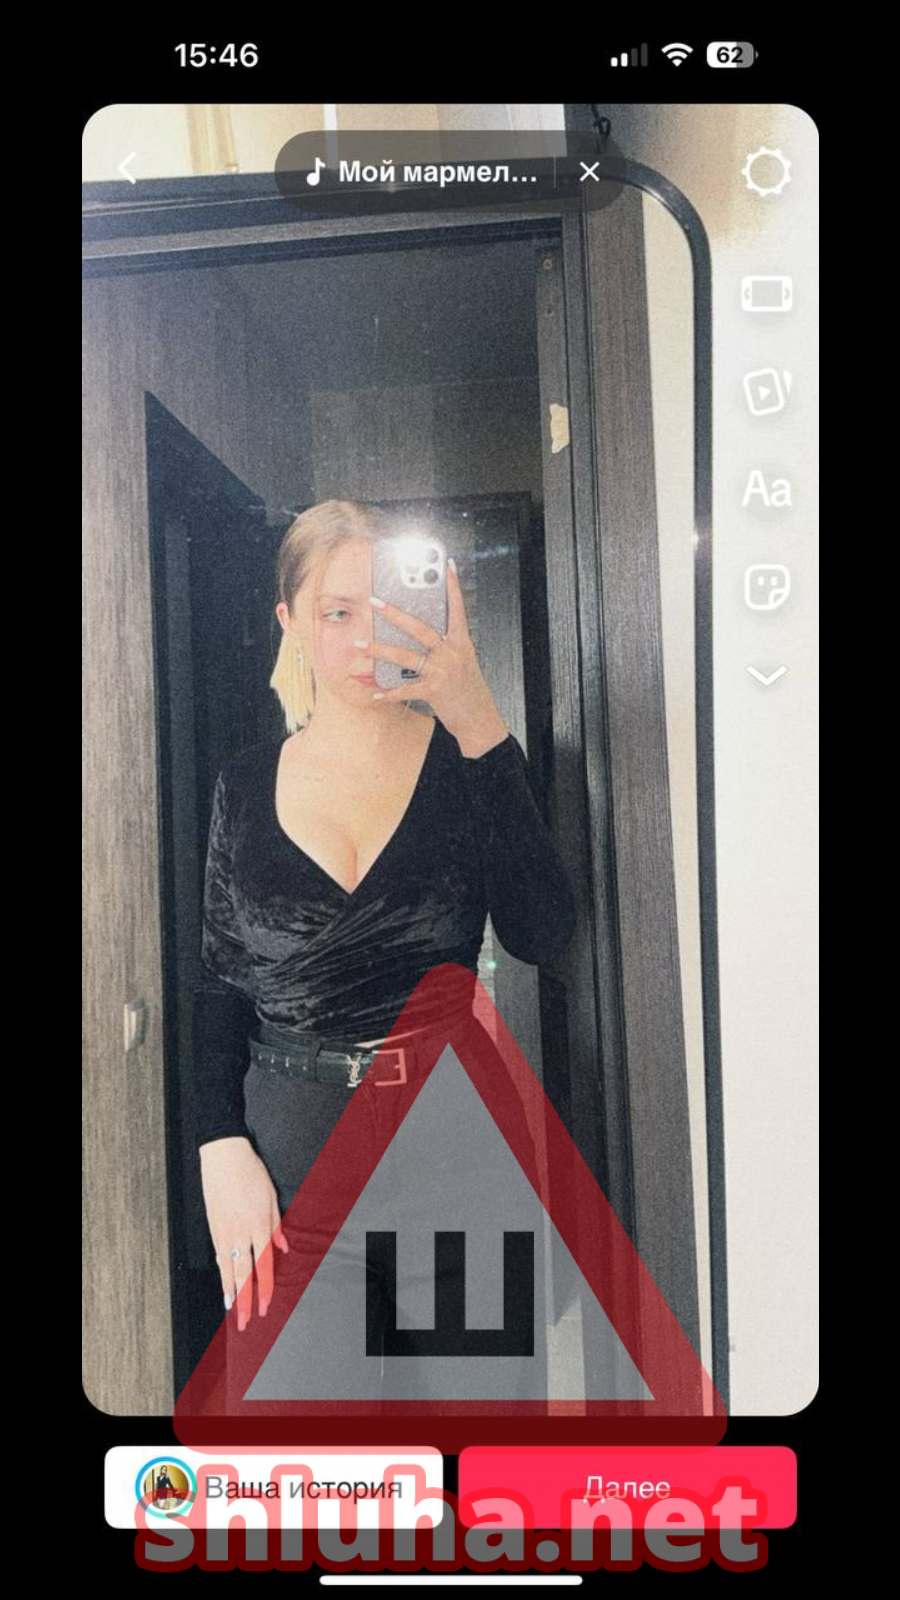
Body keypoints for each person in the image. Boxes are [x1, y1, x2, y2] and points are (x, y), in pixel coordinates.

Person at [192, 498, 577, 1401]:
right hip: (290, 1166)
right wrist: (217, 1144)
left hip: (460, 1153)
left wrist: (478, 719)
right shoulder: (244, 786)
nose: (367, 636)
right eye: (336, 612)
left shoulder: (473, 761)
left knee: (475, 1443)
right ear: (289, 622)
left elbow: (542, 932)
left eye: (388, 606)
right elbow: (220, 983)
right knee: (307, 1457)